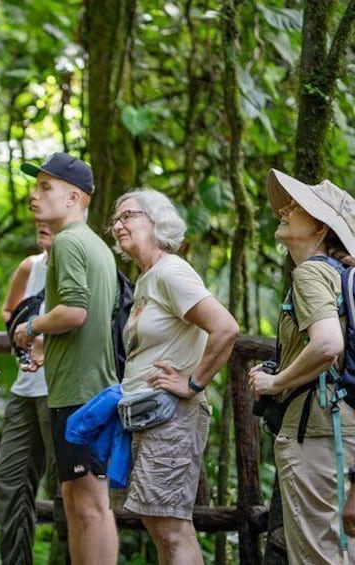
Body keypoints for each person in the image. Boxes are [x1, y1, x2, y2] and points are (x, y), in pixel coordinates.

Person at [109, 189, 238, 564]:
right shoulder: (147, 278)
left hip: (173, 416)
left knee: (170, 528)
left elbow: (225, 328)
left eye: (128, 215)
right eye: (116, 220)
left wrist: (193, 382)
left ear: (156, 222)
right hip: (147, 415)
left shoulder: (171, 271)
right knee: (158, 525)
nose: (118, 225)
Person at [12, 153, 119, 564]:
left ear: (74, 197)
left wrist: (32, 327)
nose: (33, 197)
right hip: (85, 386)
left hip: (81, 391)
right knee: (82, 505)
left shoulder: (70, 242)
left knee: (87, 506)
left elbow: (75, 311)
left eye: (44, 188)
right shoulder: (95, 245)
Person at [249, 169, 355, 563]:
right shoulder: (342, 276)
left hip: (318, 433)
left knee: (318, 556)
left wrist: (276, 383)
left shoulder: (311, 272)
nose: (287, 209)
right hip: (342, 430)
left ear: (321, 227)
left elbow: (328, 344)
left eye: (301, 207)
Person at [0, 222, 69, 565]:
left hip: (62, 389)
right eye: (38, 220)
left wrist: (44, 337)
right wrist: (21, 332)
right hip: (24, 389)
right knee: (9, 482)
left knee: (65, 489)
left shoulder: (78, 266)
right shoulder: (30, 266)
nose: (42, 224)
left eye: (50, 221)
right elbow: (9, 312)